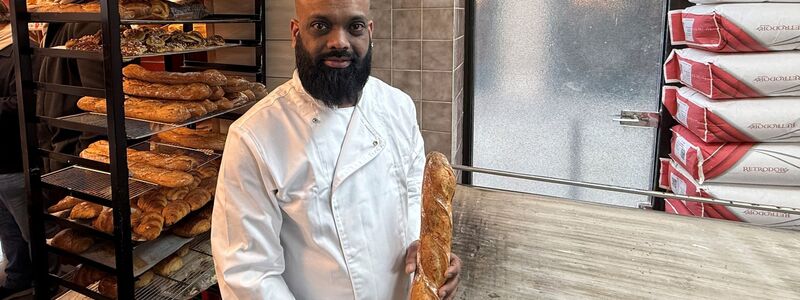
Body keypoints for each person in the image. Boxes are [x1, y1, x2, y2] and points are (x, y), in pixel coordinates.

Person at [211, 0, 461, 299]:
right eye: (321, 26)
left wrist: (429, 255)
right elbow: (247, 274)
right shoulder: (254, 136)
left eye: (354, 27)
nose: (339, 42)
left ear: (369, 32)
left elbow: (413, 194)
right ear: (295, 32)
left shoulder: (398, 106)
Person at [0, 1, 33, 299]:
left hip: (14, 156)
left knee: (30, 228)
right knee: (7, 227)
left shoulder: (18, 51)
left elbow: (23, 102)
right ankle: (17, 277)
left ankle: (50, 278)